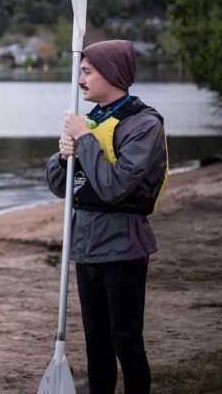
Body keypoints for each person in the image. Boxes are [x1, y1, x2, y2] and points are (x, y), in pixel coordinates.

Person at [45, 39, 168, 394]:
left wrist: (83, 138)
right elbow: (58, 186)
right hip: (85, 247)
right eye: (80, 71)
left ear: (111, 74)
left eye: (86, 72)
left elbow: (115, 187)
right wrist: (63, 156)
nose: (79, 80)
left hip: (123, 249)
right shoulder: (92, 121)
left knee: (125, 343)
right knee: (95, 346)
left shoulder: (144, 125)